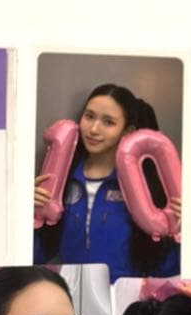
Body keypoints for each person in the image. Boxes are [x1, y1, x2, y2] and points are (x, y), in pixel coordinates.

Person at [34, 84, 182, 283]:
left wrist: (182, 231)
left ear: (128, 131)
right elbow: (38, 253)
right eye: (89, 116)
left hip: (128, 296)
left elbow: (165, 266)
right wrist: (29, 214)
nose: (94, 129)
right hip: (73, 293)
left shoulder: (144, 190)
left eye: (108, 122)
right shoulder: (62, 180)